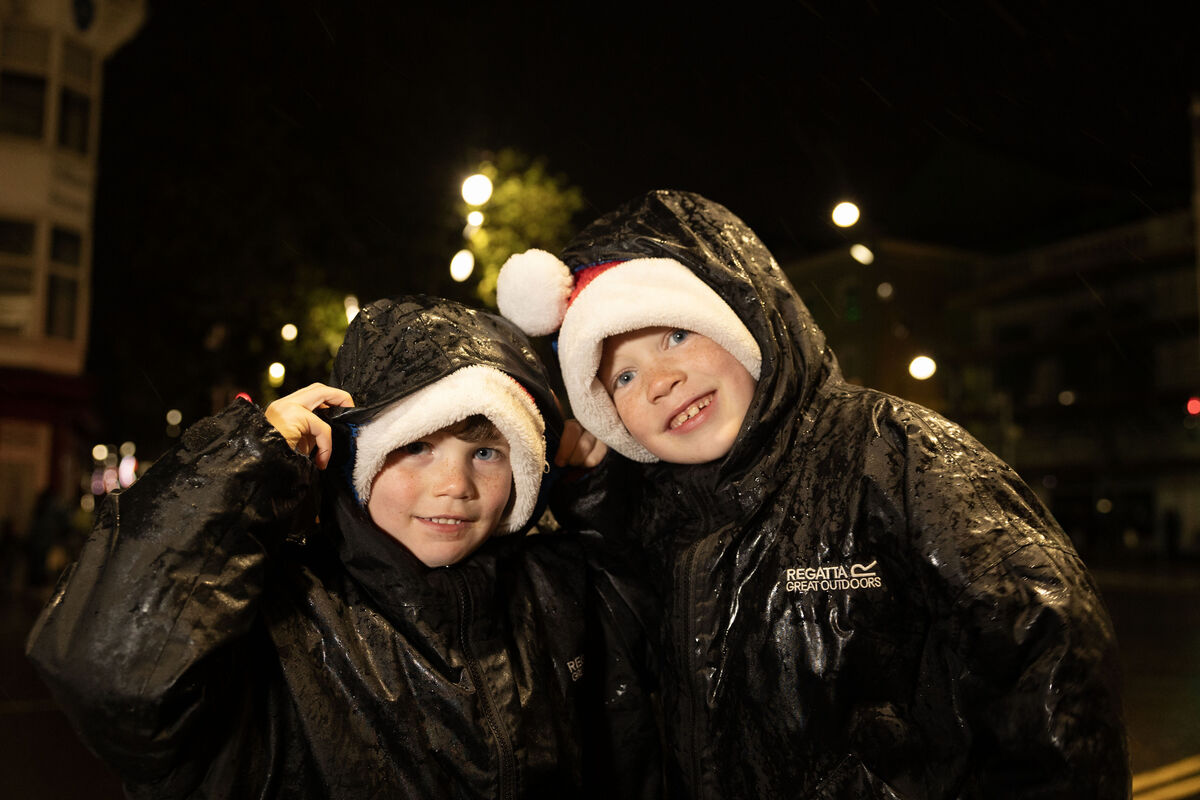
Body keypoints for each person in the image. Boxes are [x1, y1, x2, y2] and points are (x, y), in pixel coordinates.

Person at [497, 190, 1130, 799]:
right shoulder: (657, 515)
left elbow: (1047, 650)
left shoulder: (888, 450)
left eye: (675, 335)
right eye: (623, 376)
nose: (661, 381)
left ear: (740, 320)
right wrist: (598, 493)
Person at [27, 295, 660, 799]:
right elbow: (116, 677)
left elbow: (655, 634)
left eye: (488, 452)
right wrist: (246, 466)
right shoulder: (280, 624)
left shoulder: (550, 591)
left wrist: (595, 491)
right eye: (416, 446)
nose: (454, 486)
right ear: (360, 456)